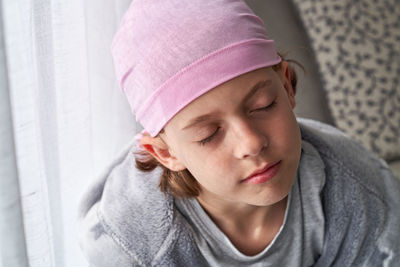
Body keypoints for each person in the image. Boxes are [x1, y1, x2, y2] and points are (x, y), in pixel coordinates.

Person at [77, 0, 400, 266]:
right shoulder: (130, 239)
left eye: (263, 105)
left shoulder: (359, 190)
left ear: (286, 85)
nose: (252, 143)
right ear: (165, 153)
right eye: (208, 134)